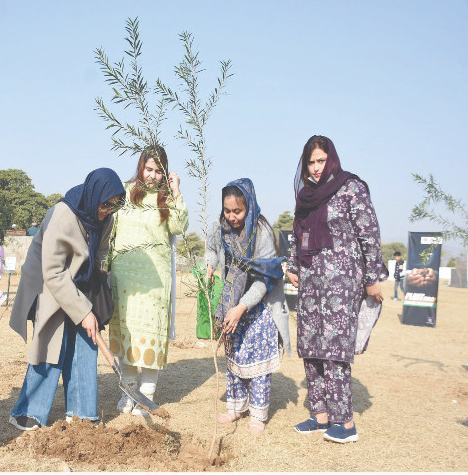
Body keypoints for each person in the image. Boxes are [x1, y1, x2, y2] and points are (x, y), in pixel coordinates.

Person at [8, 168, 125, 430]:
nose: (109, 210)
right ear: (94, 195)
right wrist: (81, 311)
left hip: (81, 281)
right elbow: (53, 271)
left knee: (87, 341)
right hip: (48, 280)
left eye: (115, 204)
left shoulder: (106, 219)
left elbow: (100, 253)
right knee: (52, 343)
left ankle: (83, 413)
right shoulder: (63, 215)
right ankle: (29, 412)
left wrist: (91, 299)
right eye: (106, 204)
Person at [287, 135, 382, 444]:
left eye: (321, 160)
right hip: (310, 281)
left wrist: (373, 276)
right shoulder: (306, 196)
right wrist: (292, 266)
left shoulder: (351, 187)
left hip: (342, 282)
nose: (316, 168)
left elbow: (369, 232)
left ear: (332, 159)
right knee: (310, 344)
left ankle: (345, 422)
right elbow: (296, 233)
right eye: (311, 162)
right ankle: (320, 415)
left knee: (335, 348)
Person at [108, 146, 189, 415]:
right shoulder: (124, 192)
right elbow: (112, 230)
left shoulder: (166, 199)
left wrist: (176, 191)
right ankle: (128, 392)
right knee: (128, 336)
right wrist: (106, 265)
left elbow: (179, 227)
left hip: (155, 281)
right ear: (141, 166)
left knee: (150, 337)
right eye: (148, 169)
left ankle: (146, 396)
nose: (152, 176)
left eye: (158, 171)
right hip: (124, 278)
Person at [204, 179, 288, 435]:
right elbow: (212, 250)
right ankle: (236, 408)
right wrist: (208, 266)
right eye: (227, 211)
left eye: (237, 211)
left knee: (258, 360)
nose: (231, 217)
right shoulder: (221, 228)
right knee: (235, 356)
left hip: (259, 303)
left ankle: (258, 414)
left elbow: (265, 278)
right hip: (233, 300)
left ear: (248, 206)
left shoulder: (261, 233)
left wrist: (241, 307)